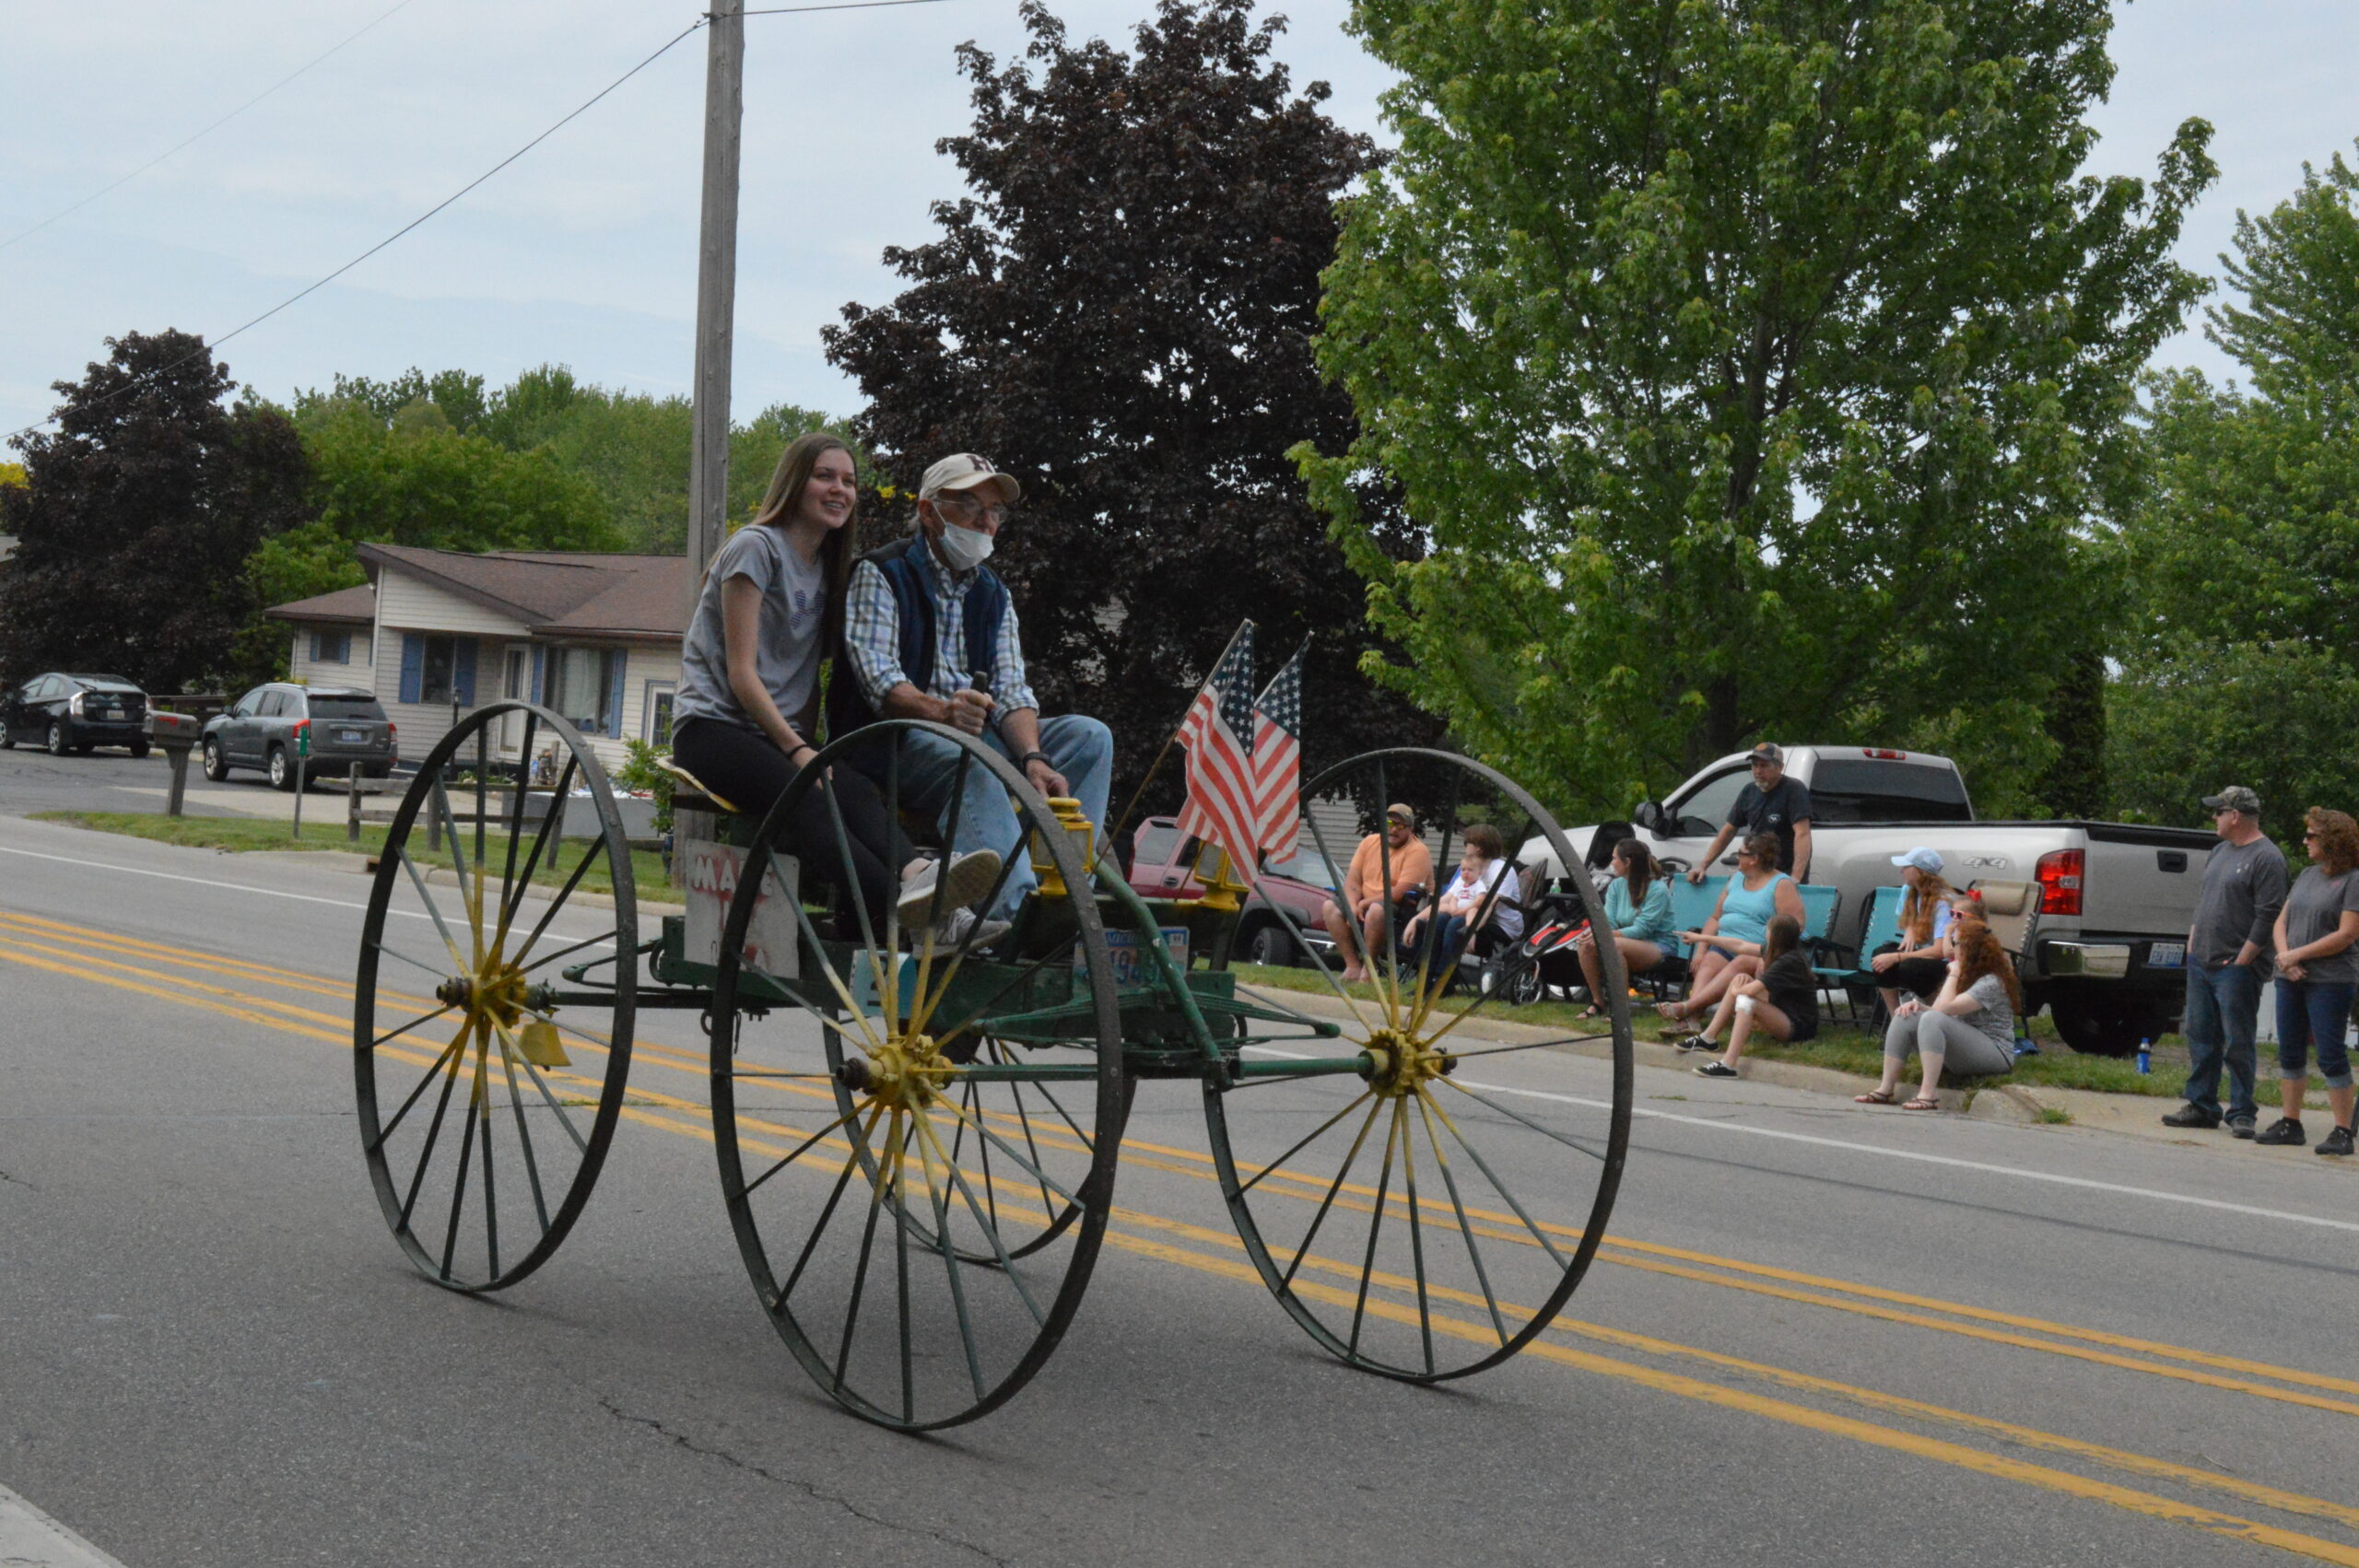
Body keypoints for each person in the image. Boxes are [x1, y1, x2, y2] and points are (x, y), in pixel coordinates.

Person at [672, 434, 1001, 944]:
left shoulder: (830, 570)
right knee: (805, 796)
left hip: (774, 739)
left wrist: (814, 750)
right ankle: (919, 915)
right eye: (825, 476)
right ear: (794, 483)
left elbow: (805, 677)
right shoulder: (754, 549)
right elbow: (742, 674)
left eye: (848, 481)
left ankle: (917, 878)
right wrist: (798, 749)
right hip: (714, 729)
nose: (839, 489)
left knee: (851, 787)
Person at [831, 452, 1114, 927]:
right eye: (969, 506)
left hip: (974, 737)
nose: (986, 521)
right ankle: (1014, 913)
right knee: (975, 759)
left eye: (994, 511)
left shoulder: (994, 593)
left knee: (1090, 737)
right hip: (890, 740)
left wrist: (1033, 757)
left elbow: (1012, 690)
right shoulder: (881, 573)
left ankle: (1065, 888)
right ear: (928, 511)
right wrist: (943, 712)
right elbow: (879, 682)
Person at [2163, 786, 2289, 1136]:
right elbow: (2205, 899)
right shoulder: (2219, 851)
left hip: (2236, 967)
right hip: (2202, 960)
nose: (2214, 818)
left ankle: (2242, 1111)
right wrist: (2193, 938)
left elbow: (2268, 915)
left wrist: (2244, 960)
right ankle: (2202, 1105)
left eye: (2218, 812)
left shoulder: (2268, 858)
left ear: (2235, 816)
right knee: (2201, 1036)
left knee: (2238, 1040)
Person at [2260, 807, 2359, 1153]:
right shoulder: (2306, 875)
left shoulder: (2353, 880)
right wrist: (2286, 958)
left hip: (2330, 980)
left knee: (2330, 1054)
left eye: (2312, 835)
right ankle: (2291, 1123)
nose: (2305, 841)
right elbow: (2280, 922)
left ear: (2333, 840)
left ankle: (2343, 1131)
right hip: (2291, 975)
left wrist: (2297, 956)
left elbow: (2347, 934)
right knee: (2290, 1052)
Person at [1856, 915, 2017, 1109]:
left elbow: (1945, 1010)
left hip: (1995, 1052)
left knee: (1932, 1018)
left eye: (1955, 943)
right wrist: (1918, 1007)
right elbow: (1939, 1010)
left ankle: (1928, 1094)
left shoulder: (1991, 981)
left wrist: (1954, 973)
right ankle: (1886, 1089)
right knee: (1905, 1014)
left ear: (1969, 949)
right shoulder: (1964, 975)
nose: (1951, 948)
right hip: (1964, 1047)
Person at [1660, 832, 1805, 1035]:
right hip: (1724, 946)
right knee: (1710, 960)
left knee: (1741, 962)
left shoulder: (1781, 885)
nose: (1737, 857)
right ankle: (1691, 1021)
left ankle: (1688, 1007)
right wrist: (1701, 950)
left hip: (1758, 952)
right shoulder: (1737, 879)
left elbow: (1795, 926)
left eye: (1741, 853)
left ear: (1754, 859)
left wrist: (1771, 953)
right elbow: (1715, 918)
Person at [1691, 913, 1818, 1078]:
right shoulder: (1779, 951)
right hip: (1782, 1014)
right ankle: (1707, 1039)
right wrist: (1704, 938)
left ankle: (1728, 1065)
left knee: (1746, 1000)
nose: (1766, 933)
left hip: (1798, 1026)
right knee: (1740, 979)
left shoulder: (1789, 961)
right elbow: (1740, 945)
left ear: (1773, 934)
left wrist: (1735, 990)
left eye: (1768, 929)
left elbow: (1751, 991)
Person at [1320, 803, 1435, 983]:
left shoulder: (1418, 851)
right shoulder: (1369, 842)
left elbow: (1399, 892)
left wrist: (1364, 904)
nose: (1394, 829)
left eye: (1401, 825)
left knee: (1376, 910)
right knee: (1329, 906)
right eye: (1390, 822)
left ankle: (1369, 968)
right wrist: (1352, 907)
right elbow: (1352, 881)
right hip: (1364, 902)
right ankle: (1352, 966)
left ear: (1411, 829)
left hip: (1402, 909)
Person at [1571, 837, 1675, 1017]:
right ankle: (1598, 1001)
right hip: (1626, 942)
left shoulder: (1658, 889)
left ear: (1627, 862)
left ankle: (1621, 1008)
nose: (1611, 863)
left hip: (1658, 944)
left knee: (1614, 945)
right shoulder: (1616, 886)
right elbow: (1608, 920)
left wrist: (1607, 936)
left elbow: (1643, 929)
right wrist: (1593, 934)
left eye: (1614, 858)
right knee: (1585, 944)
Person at [1687, 743, 1813, 883]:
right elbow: (1728, 830)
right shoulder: (1749, 791)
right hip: (1756, 872)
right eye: (1755, 765)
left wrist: (1795, 877)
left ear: (1780, 767)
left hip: (1784, 875)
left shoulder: (1793, 789)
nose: (1758, 771)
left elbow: (1802, 833)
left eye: (1764, 765)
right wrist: (1703, 866)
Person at [1402, 823, 1521, 965]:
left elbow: (1488, 906)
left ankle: (1444, 981)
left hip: (1501, 927)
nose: (1464, 847)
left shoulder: (1502, 870)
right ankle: (1428, 980)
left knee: (1455, 924)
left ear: (1478, 847)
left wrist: (1470, 931)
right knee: (1439, 920)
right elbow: (1445, 900)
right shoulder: (1469, 869)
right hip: (1472, 918)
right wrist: (1415, 919)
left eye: (1466, 843)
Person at [1872, 848, 1958, 1014]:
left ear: (1920, 871)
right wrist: (1910, 929)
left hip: (1947, 963)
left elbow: (1941, 951)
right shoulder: (1910, 891)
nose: (1901, 870)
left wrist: (1896, 957)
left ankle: (1936, 1014)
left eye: (1906, 867)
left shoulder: (1943, 902)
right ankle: (1895, 1017)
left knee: (1910, 967)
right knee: (1880, 955)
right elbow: (1908, 916)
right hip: (1923, 954)